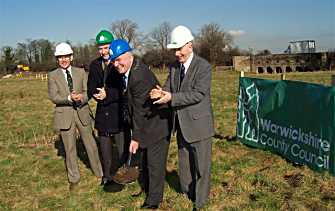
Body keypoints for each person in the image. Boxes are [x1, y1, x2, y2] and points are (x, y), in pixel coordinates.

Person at [150, 25, 215, 209]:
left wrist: (171, 98)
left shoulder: (203, 67)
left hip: (200, 126)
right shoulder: (174, 67)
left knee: (202, 168)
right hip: (181, 125)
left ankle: (200, 202)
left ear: (190, 45)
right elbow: (169, 87)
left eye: (179, 49)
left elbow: (198, 94)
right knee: (185, 165)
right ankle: (187, 193)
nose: (177, 53)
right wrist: (160, 92)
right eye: (174, 50)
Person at [109, 39, 171, 209]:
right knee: (144, 161)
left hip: (157, 124)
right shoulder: (128, 72)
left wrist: (135, 138)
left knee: (154, 164)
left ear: (129, 55)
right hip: (145, 123)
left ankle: (154, 201)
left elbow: (139, 110)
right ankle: (147, 190)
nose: (116, 64)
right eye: (113, 61)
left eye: (118, 59)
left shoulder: (139, 76)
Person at [48, 42, 103, 191]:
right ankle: (74, 178)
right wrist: (68, 98)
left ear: (71, 57)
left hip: (82, 112)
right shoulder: (52, 75)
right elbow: (53, 96)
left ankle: (99, 173)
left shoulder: (81, 72)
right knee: (70, 148)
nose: (63, 60)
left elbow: (88, 91)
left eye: (66, 56)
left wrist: (81, 98)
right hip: (64, 116)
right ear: (57, 59)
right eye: (60, 57)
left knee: (91, 145)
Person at [87, 30, 126, 192]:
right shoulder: (94, 65)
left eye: (106, 47)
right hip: (103, 113)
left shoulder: (119, 62)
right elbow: (91, 86)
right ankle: (108, 176)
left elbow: (124, 89)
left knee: (122, 146)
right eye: (100, 48)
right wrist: (97, 95)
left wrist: (107, 94)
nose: (103, 51)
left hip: (118, 113)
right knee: (105, 148)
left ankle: (125, 173)